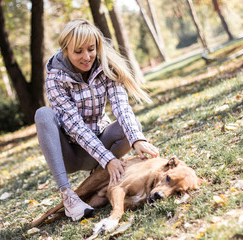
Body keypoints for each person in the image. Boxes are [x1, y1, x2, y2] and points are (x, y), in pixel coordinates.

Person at [35, 18, 159, 221]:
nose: (86, 57)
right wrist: (108, 159)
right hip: (72, 153)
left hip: (100, 141)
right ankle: (68, 196)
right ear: (65, 50)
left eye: (91, 49)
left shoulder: (105, 66)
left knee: (132, 126)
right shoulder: (55, 78)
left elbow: (121, 106)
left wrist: (137, 139)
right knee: (43, 114)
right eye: (78, 52)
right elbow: (75, 126)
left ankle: (97, 174)